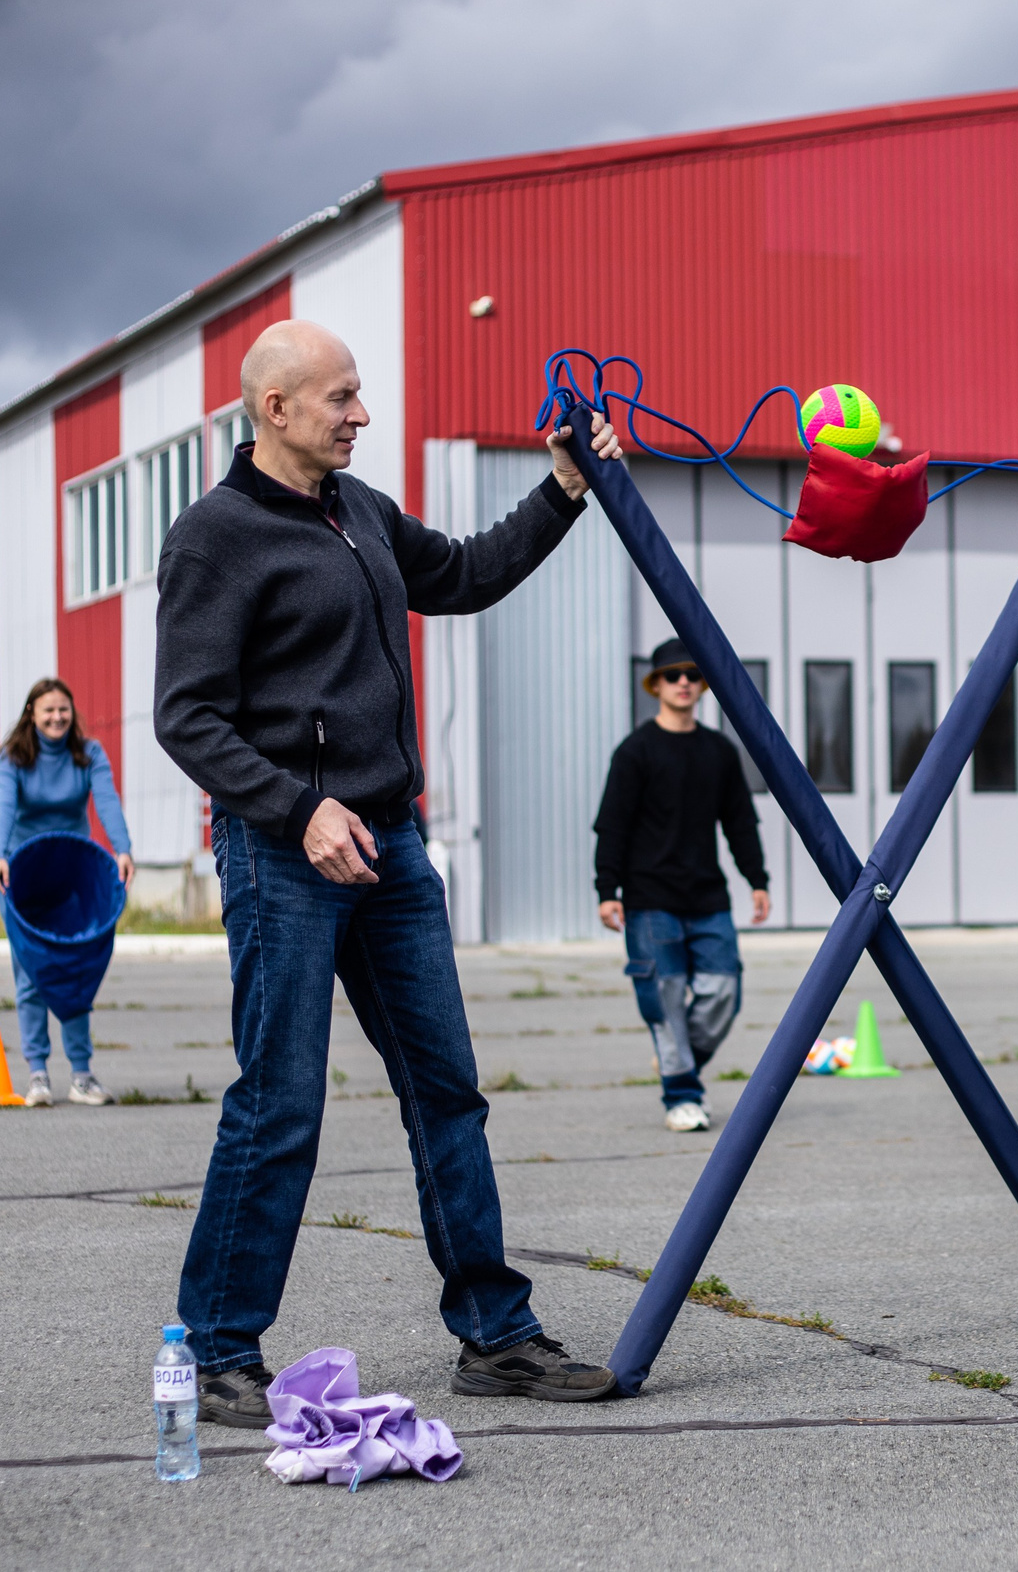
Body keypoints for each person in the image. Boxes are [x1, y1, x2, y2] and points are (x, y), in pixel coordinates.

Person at [155, 318, 627, 1424]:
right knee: (280, 1104)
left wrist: (564, 488)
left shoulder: (360, 512)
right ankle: (220, 1348)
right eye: (341, 398)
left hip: (392, 846)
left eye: (358, 397)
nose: (361, 415)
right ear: (276, 410)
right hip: (285, 853)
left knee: (445, 1093)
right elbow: (188, 717)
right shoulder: (213, 538)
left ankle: (494, 1336)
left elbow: (463, 575)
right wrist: (292, 806)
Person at [594, 637, 771, 1132]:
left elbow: (740, 822)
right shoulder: (635, 752)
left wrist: (757, 880)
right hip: (650, 902)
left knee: (723, 995)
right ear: (656, 685)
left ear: (704, 684)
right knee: (665, 1001)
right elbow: (612, 826)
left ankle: (677, 1057)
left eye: (693, 675)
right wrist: (607, 890)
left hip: (708, 898)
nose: (684, 683)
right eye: (673, 675)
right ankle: (683, 1096)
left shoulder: (719, 752)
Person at [0, 676, 134, 1107]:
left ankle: (82, 1076)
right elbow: (4, 809)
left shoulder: (88, 754)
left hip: (70, 878)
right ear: (31, 713)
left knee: (74, 972)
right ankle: (37, 1075)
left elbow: (107, 801)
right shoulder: (13, 758)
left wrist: (122, 849)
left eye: (63, 710)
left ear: (72, 714)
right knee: (32, 974)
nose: (56, 717)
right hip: (18, 877)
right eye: (48, 710)